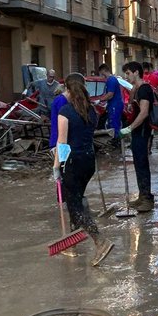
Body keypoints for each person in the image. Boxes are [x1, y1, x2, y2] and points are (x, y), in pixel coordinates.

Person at [53, 74, 112, 266]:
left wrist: (56, 167)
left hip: (72, 162)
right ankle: (72, 243)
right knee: (76, 199)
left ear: (69, 91)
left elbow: (61, 143)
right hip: (88, 161)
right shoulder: (91, 110)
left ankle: (100, 241)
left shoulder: (65, 111)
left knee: (75, 205)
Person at [121, 62, 156, 212]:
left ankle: (147, 199)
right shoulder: (138, 88)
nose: (126, 76)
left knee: (142, 164)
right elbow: (132, 105)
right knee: (138, 163)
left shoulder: (145, 89)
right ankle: (142, 196)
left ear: (136, 72)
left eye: (128, 73)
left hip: (142, 131)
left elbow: (144, 113)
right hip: (137, 132)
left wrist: (129, 128)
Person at [97, 63, 124, 142]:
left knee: (114, 124)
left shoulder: (111, 80)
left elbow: (110, 94)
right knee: (114, 123)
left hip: (115, 105)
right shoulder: (112, 79)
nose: (102, 76)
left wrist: (100, 100)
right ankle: (116, 140)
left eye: (102, 73)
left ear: (104, 70)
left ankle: (116, 141)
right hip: (114, 104)